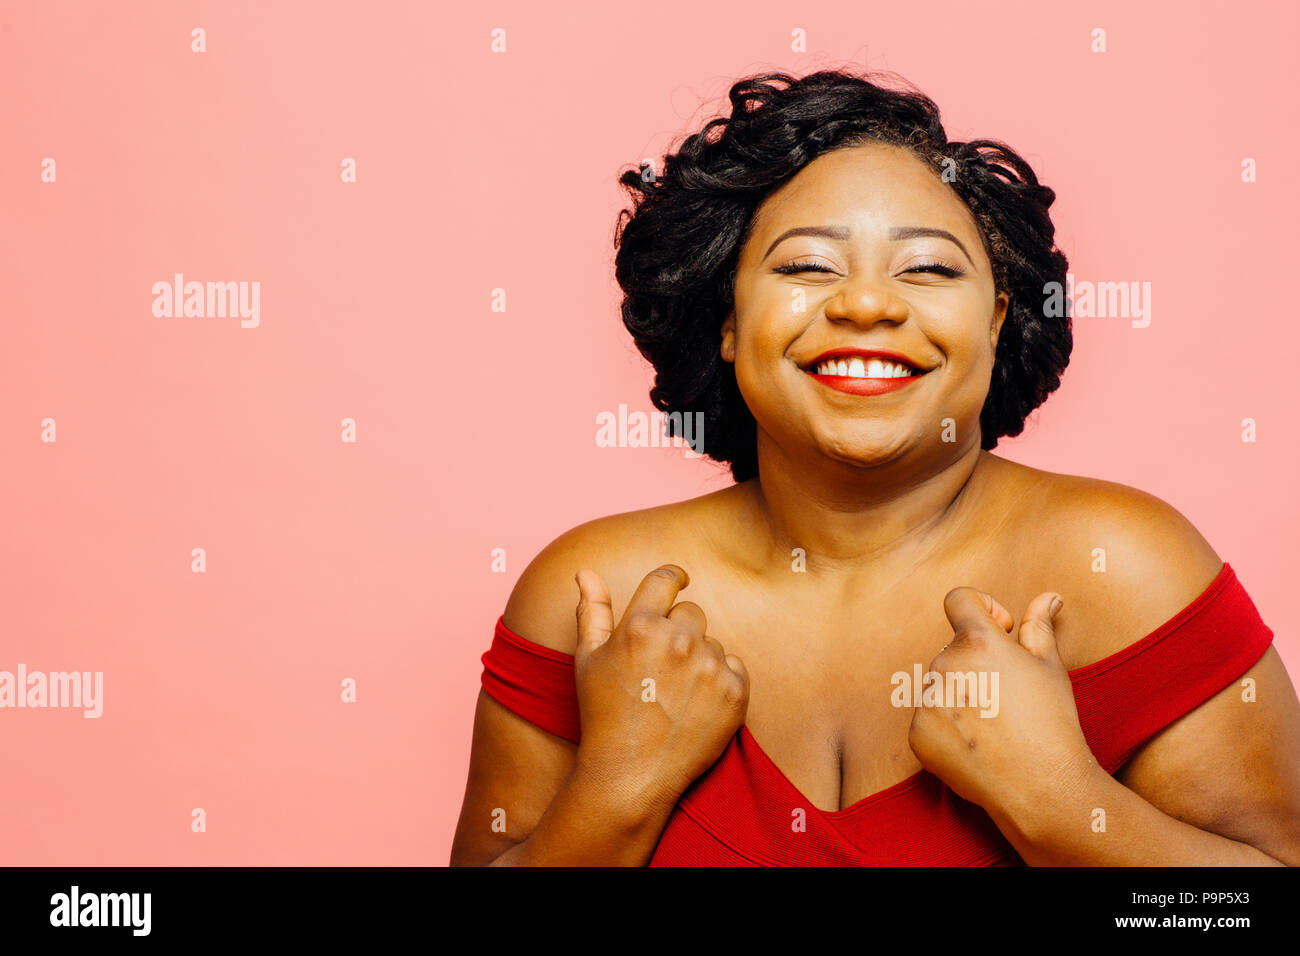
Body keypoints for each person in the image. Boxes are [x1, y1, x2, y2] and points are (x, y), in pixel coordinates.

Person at [450, 68, 1300, 866]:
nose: (866, 304)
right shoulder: (593, 597)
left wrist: (1063, 808)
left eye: (928, 268)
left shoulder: (1127, 571)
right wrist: (618, 789)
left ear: (999, 320)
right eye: (806, 266)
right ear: (729, 321)